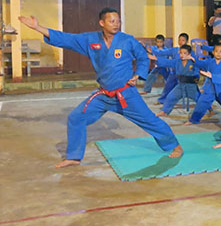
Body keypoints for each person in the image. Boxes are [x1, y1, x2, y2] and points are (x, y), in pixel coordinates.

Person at [18, 9, 182, 167]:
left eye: (118, 21)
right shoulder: (91, 40)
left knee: (149, 120)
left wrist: (138, 75)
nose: (116, 24)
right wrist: (38, 28)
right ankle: (74, 157)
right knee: (76, 118)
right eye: (112, 21)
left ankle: (175, 146)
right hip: (103, 95)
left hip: (125, 94)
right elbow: (66, 39)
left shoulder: (127, 40)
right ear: (101, 22)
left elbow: (142, 58)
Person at [185, 42, 221, 125]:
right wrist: (193, 59)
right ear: (213, 52)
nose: (218, 53)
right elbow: (199, 63)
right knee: (201, 103)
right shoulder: (208, 62)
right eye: (216, 51)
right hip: (209, 88)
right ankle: (194, 119)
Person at [153, 45, 201, 117]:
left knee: (200, 99)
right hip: (180, 85)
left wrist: (196, 74)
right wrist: (154, 58)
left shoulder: (193, 63)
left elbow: (198, 70)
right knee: (170, 97)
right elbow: (167, 62)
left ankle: (210, 110)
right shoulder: (177, 62)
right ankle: (164, 111)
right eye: (181, 53)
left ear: (189, 54)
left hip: (191, 86)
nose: (182, 55)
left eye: (185, 53)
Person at [153, 32, 190, 104]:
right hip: (174, 72)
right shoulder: (175, 50)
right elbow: (162, 53)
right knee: (168, 85)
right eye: (179, 40)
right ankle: (162, 100)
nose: (180, 42)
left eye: (183, 40)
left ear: (187, 41)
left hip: (184, 74)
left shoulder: (190, 51)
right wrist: (151, 50)